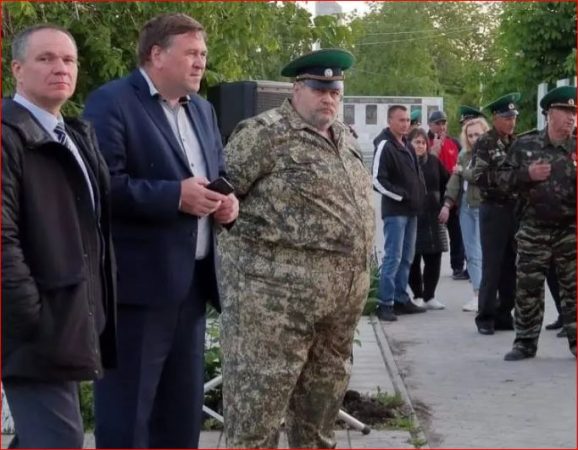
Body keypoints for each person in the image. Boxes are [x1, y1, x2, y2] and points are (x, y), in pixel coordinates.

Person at [82, 13, 238, 448]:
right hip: (137, 292)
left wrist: (228, 204)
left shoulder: (203, 109)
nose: (201, 62)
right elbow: (102, 187)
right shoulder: (112, 102)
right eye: (191, 53)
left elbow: (218, 173)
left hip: (192, 287)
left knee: (181, 415)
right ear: (157, 55)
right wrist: (174, 197)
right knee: (128, 416)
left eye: (203, 53)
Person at [218, 48, 375, 448]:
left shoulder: (344, 137)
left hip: (337, 309)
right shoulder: (263, 134)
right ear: (296, 89)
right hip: (274, 310)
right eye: (319, 89)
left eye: (335, 92)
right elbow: (220, 201)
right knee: (257, 420)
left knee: (319, 419)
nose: (328, 99)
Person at [1, 24, 117, 448]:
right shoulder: (7, 135)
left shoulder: (75, 135)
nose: (60, 68)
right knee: (60, 440)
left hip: (66, 323)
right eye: (45, 58)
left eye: (68, 60)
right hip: (32, 330)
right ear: (17, 69)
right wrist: (30, 315)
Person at [498, 86, 576, 360]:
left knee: (574, 288)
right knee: (528, 287)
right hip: (534, 228)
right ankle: (525, 343)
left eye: (574, 112)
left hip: (570, 229)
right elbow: (500, 181)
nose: (571, 117)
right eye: (565, 111)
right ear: (550, 113)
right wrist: (527, 174)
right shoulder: (525, 145)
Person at [471, 92, 520, 335]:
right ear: (495, 118)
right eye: (506, 117)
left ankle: (504, 313)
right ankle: (485, 317)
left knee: (512, 265)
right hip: (493, 209)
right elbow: (478, 176)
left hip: (514, 209)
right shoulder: (486, 142)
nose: (511, 122)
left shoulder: (515, 142)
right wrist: (508, 178)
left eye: (513, 117)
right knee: (492, 265)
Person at [373, 105, 427, 321]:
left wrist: (419, 197)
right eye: (401, 120)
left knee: (407, 257)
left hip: (412, 211)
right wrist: (402, 196)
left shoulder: (407, 145)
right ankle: (385, 303)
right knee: (393, 257)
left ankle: (401, 298)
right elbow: (377, 180)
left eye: (407, 120)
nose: (405, 124)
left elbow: (416, 175)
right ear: (390, 121)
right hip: (395, 212)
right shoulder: (385, 145)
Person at [440, 117, 490, 312]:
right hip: (467, 209)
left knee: (483, 253)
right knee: (472, 254)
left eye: (477, 134)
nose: (474, 138)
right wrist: (447, 203)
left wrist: (462, 171)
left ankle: (489, 294)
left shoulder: (490, 153)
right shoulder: (463, 155)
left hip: (485, 207)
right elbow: (455, 180)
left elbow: (480, 176)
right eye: (470, 135)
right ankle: (478, 294)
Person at [407, 128, 449, 310]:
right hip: (413, 215)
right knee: (413, 257)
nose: (420, 145)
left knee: (434, 256)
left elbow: (447, 182)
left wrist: (445, 204)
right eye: (417, 142)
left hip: (433, 215)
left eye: (423, 142)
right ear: (409, 143)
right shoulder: (405, 161)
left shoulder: (433, 161)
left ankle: (430, 296)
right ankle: (417, 295)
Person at [428, 110, 467, 280]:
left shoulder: (454, 142)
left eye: (443, 123)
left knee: (456, 233)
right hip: (432, 195)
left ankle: (457, 267)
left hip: (453, 194)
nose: (441, 126)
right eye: (437, 123)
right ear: (430, 125)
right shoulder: (424, 142)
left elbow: (462, 165)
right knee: (432, 235)